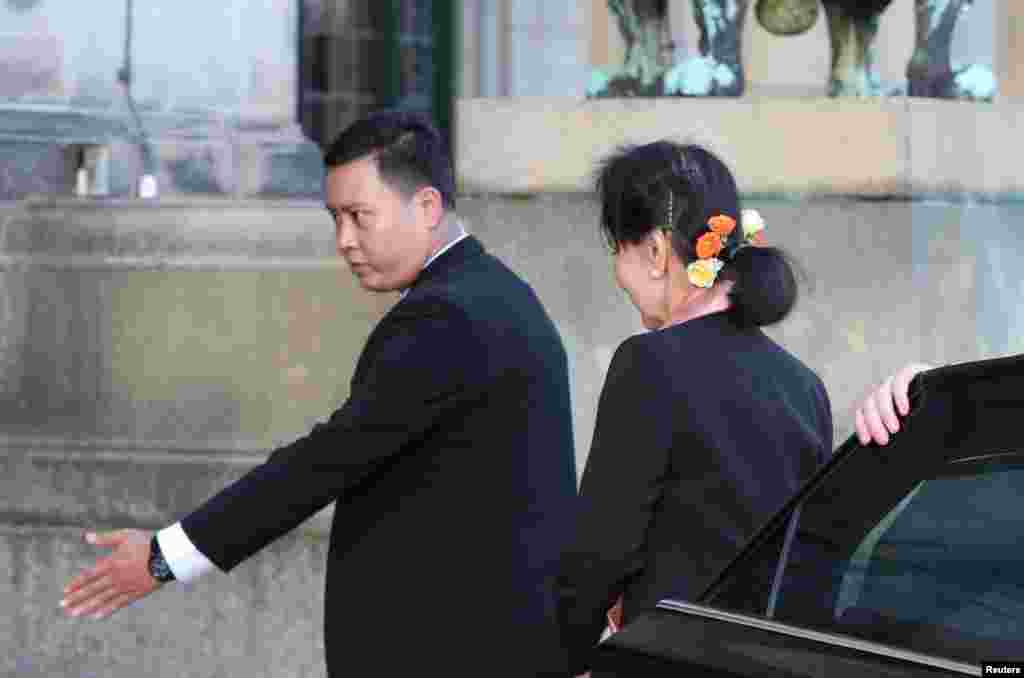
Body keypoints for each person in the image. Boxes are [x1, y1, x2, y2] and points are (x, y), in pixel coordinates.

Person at [60, 111, 578, 677]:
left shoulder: (448, 315)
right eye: (335, 218)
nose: (344, 241)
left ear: (427, 207)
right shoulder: (495, 295)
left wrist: (165, 558)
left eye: (359, 216)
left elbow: (327, 460)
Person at [556, 141, 834, 677]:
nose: (617, 271)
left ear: (657, 252)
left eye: (618, 247)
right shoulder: (804, 386)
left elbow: (600, 551)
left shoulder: (649, 364)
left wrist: (563, 658)